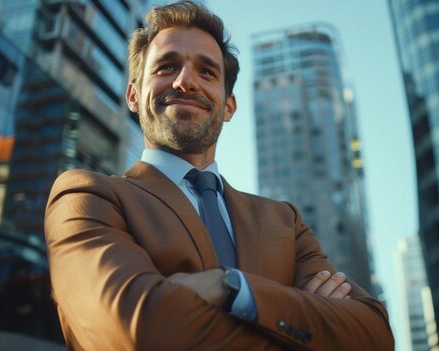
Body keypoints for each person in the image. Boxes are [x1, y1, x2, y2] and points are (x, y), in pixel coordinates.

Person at [44, 1, 394, 350]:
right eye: (166, 67)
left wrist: (231, 287)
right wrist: (300, 318)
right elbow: (139, 328)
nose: (185, 82)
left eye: (207, 72)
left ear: (228, 106)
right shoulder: (87, 198)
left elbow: (373, 335)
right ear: (134, 96)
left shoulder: (285, 221)